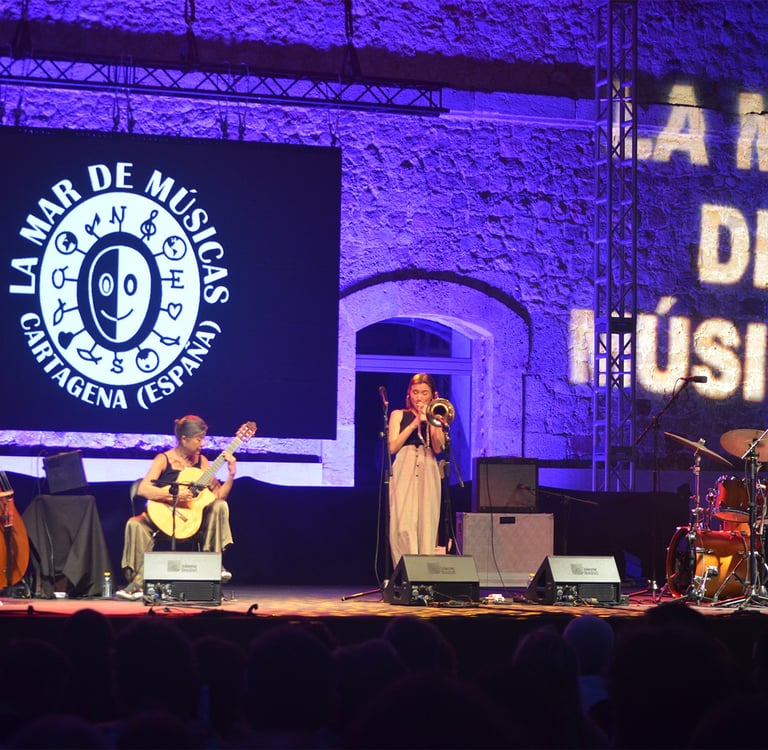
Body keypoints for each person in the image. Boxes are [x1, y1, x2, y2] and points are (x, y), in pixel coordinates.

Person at [116, 414, 236, 600]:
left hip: (192, 522)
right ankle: (137, 584)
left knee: (220, 506)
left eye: (203, 439)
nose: (202, 444)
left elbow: (219, 495)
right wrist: (174, 495)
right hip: (162, 518)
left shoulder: (202, 462)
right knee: (134, 523)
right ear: (184, 439)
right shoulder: (163, 459)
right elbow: (143, 488)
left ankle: (214, 564)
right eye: (198, 439)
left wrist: (231, 475)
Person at [387, 373, 446, 568]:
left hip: (428, 463)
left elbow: (438, 448)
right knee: (403, 522)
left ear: (432, 395)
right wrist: (414, 424)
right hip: (405, 464)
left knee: (427, 521)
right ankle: (405, 573)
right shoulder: (398, 414)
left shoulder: (437, 417)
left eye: (424, 393)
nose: (419, 397)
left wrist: (431, 420)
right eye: (415, 392)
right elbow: (392, 447)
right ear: (409, 393)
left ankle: (425, 574)